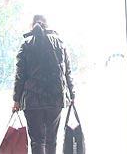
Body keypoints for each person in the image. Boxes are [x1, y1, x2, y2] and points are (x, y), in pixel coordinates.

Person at [12, 14, 75, 154]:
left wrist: (16, 99)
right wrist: (72, 95)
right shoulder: (60, 42)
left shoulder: (26, 44)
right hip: (56, 98)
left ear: (32, 25)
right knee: (51, 140)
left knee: (37, 141)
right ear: (47, 24)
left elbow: (20, 75)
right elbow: (67, 72)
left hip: (32, 100)